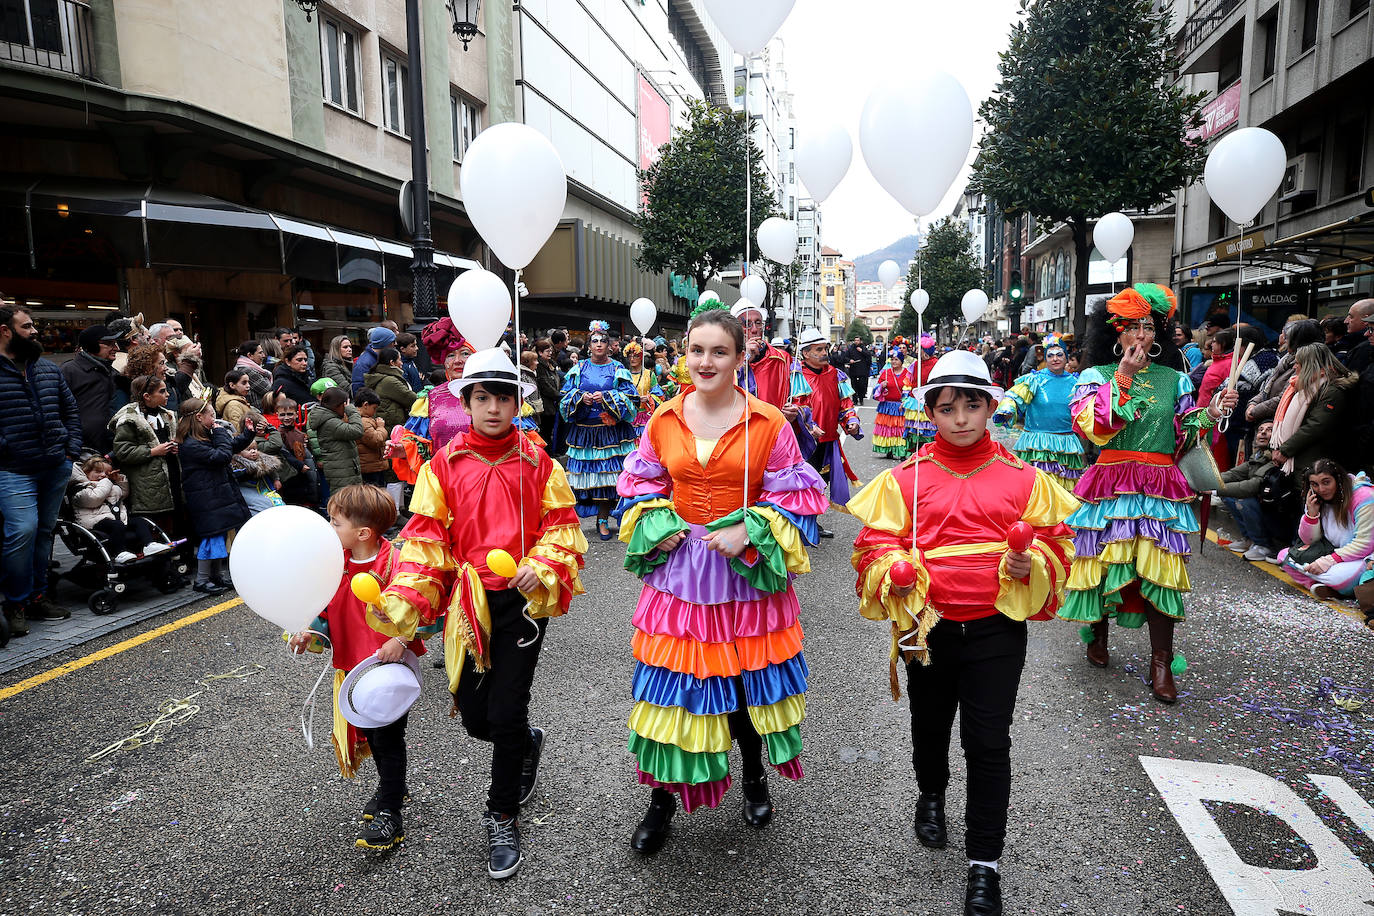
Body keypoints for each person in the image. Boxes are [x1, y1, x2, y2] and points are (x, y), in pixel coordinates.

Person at [848, 349, 1079, 916]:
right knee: (928, 725)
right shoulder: (905, 478)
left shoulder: (1025, 480)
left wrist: (1034, 564)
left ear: (990, 407)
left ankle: (985, 865)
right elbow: (874, 546)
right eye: (946, 407)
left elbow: (1056, 542)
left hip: (997, 629)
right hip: (925, 630)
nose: (959, 418)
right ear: (929, 411)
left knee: (988, 740)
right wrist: (892, 575)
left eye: (971, 405)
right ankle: (931, 794)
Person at [616, 306, 825, 855]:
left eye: (719, 351)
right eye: (696, 350)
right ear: (684, 354)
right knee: (674, 690)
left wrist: (751, 531)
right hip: (681, 575)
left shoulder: (768, 422)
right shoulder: (663, 418)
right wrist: (655, 523)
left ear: (740, 356)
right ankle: (661, 799)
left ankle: (753, 777)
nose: (705, 362)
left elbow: (799, 494)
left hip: (745, 575)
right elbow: (640, 481)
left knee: (743, 684)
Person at [371, 347, 587, 878]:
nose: (493, 407)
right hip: (467, 604)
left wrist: (544, 563)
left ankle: (501, 812)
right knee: (474, 715)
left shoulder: (540, 463)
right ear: (465, 401)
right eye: (482, 397)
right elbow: (425, 541)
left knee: (508, 709)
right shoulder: (440, 466)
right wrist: (400, 605)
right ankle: (524, 745)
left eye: (504, 397)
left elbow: (562, 527)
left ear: (518, 403)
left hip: (521, 603)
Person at [1059, 284, 1237, 704]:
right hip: (1110, 481)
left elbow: (1182, 433)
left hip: (1159, 484)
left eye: (1149, 327)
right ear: (1116, 334)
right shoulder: (1093, 376)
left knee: (1160, 572)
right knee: (1103, 565)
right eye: (1132, 327)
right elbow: (1093, 426)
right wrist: (1122, 376)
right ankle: (1097, 636)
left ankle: (1161, 662)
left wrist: (1211, 412)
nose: (1142, 335)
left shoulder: (1175, 378)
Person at [288, 484, 424, 851]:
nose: (328, 529)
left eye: (335, 523)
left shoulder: (396, 564)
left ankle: (391, 812)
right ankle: (391, 785)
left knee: (388, 737)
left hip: (387, 669)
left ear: (362, 533)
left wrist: (403, 639)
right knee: (374, 736)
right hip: (352, 667)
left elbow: (422, 606)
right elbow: (324, 612)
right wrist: (307, 633)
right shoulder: (336, 565)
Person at [0, 305, 83, 640]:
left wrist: (70, 450)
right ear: (5, 330)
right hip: (13, 469)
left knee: (44, 532)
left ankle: (37, 596)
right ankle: (15, 604)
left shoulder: (48, 369)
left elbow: (70, 411)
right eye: (27, 326)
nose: (35, 332)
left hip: (54, 465)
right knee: (23, 530)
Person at [559, 320, 639, 540]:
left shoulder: (617, 369)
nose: (599, 344)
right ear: (588, 346)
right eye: (595, 341)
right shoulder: (579, 368)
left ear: (609, 344)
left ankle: (622, 517)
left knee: (617, 478)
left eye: (603, 341)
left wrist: (608, 397)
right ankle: (601, 519)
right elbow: (564, 397)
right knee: (596, 479)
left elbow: (632, 399)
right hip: (586, 433)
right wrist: (579, 397)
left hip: (613, 433)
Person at [176, 398, 257, 594]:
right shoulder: (191, 445)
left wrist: (248, 434)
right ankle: (202, 580)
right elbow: (222, 455)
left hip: (215, 495)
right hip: (206, 498)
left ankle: (216, 575)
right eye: (211, 415)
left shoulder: (205, 437)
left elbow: (229, 446)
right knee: (211, 537)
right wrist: (220, 432)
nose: (215, 419)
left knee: (219, 534)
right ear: (199, 417)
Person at [790, 326, 861, 539]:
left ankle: (812, 522)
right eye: (819, 349)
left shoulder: (835, 375)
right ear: (805, 353)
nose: (824, 353)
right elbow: (795, 405)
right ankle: (796, 524)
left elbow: (845, 405)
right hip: (802, 443)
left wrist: (852, 421)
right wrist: (809, 426)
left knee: (822, 481)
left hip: (829, 441)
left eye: (825, 349)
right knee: (801, 483)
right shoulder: (797, 374)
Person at [993, 338, 1085, 490]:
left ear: (1066, 357)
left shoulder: (1077, 383)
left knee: (1063, 491)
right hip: (1037, 444)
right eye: (1050, 355)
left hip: (1066, 444)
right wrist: (1008, 409)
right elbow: (1014, 397)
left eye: (1059, 354)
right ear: (1045, 357)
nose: (1055, 358)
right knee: (1037, 490)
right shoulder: (1034, 380)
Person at [1278, 460, 1374, 599]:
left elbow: (1364, 545)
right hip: (1335, 553)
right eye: (1315, 484)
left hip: (1364, 557)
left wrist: (1326, 562)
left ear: (1338, 479)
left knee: (1338, 578)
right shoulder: (1317, 498)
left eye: (1326, 482)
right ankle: (1321, 586)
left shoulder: (1364, 496)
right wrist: (1312, 515)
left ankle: (1334, 586)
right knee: (1284, 557)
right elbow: (1308, 540)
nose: (1321, 489)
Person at [110, 375, 182, 548]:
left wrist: (177, 448)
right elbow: (122, 451)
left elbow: (177, 439)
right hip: (147, 482)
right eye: (162, 392)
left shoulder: (167, 416)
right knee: (155, 525)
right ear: (146, 396)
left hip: (171, 476)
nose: (167, 395)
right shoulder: (129, 420)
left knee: (174, 522)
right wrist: (152, 451)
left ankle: (177, 559)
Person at [1270, 343, 1359, 478]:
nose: (1294, 367)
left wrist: (1285, 450)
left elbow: (1316, 426)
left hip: (1313, 462)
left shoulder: (1332, 391)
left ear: (1310, 366)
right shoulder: (1308, 386)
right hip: (1300, 457)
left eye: (1298, 364)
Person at [69, 455, 164, 564]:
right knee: (116, 525)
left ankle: (149, 545)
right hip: (94, 521)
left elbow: (122, 494)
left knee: (140, 521)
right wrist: (106, 482)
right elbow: (94, 498)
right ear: (86, 472)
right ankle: (120, 552)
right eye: (98, 471)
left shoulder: (108, 485)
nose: (103, 475)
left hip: (114, 518)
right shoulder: (81, 488)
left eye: (106, 473)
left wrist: (119, 480)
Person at [1215, 419, 1278, 561]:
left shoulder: (1275, 458)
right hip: (1262, 505)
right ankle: (1249, 539)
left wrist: (1215, 490)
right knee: (1229, 497)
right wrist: (1209, 480)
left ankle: (1263, 545)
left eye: (1269, 430)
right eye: (1260, 430)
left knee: (1245, 500)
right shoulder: (1258, 455)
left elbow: (1252, 486)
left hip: (1275, 511)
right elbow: (1234, 474)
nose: (1262, 433)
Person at [62, 325, 121, 455]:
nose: (116, 348)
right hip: (81, 450)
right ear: (91, 346)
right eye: (109, 344)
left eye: (115, 343)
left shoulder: (115, 374)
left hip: (111, 449)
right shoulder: (69, 371)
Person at [733, 300, 794, 411]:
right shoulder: (728, 360)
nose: (755, 329)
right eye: (747, 324)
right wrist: (745, 359)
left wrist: (794, 412)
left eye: (758, 323)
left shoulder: (782, 358)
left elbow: (800, 400)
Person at [308, 386, 366, 494]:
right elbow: (357, 431)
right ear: (337, 405)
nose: (346, 407)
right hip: (341, 474)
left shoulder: (331, 419)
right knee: (344, 505)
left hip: (344, 471)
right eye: (345, 405)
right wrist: (352, 411)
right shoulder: (330, 423)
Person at [363, 347, 417, 430]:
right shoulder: (389, 381)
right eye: (399, 360)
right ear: (392, 363)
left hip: (387, 423)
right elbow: (412, 398)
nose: (402, 363)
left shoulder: (381, 376)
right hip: (391, 426)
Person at [872, 347, 912, 459]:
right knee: (888, 429)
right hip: (887, 406)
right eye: (892, 360)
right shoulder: (885, 373)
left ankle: (902, 451)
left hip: (901, 405)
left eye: (896, 360)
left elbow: (910, 389)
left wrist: (906, 402)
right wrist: (881, 386)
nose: (894, 362)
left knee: (901, 429)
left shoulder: (907, 373)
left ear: (901, 361)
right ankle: (889, 449)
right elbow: (875, 391)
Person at [230, 435, 283, 516]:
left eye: (255, 449)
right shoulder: (236, 464)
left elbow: (272, 469)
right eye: (248, 450)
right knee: (263, 507)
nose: (253, 451)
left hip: (266, 489)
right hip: (249, 490)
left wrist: (276, 479)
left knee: (278, 502)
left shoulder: (263, 459)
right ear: (239, 453)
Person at [905, 335, 939, 452]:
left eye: (919, 348)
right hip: (914, 400)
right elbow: (910, 380)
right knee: (915, 428)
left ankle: (930, 451)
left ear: (925, 351)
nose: (916, 351)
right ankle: (916, 451)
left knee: (928, 428)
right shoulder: (915, 364)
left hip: (928, 399)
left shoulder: (936, 363)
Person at [624, 341, 663, 438]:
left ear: (641, 357)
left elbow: (659, 395)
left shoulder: (649, 374)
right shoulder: (624, 375)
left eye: (636, 356)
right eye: (630, 356)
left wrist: (649, 398)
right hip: (629, 416)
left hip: (645, 415)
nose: (632, 359)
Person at [351, 326, 396, 394]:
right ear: (384, 343)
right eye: (393, 341)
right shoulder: (363, 364)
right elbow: (358, 389)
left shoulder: (382, 357)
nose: (395, 344)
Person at [233, 340, 273, 408]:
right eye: (260, 353)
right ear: (250, 355)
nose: (263, 356)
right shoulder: (247, 370)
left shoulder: (247, 367)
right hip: (258, 410)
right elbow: (269, 390)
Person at [215, 369, 255, 433]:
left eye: (248, 382)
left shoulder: (239, 400)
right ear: (232, 385)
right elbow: (237, 431)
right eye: (244, 383)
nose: (248, 386)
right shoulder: (233, 405)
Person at [843, 336, 873, 406]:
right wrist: (849, 360)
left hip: (862, 370)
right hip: (853, 370)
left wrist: (862, 351)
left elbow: (869, 356)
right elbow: (845, 357)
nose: (856, 342)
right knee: (854, 386)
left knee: (861, 385)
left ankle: (861, 399)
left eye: (858, 340)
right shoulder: (851, 349)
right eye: (855, 340)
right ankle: (855, 400)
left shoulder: (863, 348)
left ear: (860, 341)